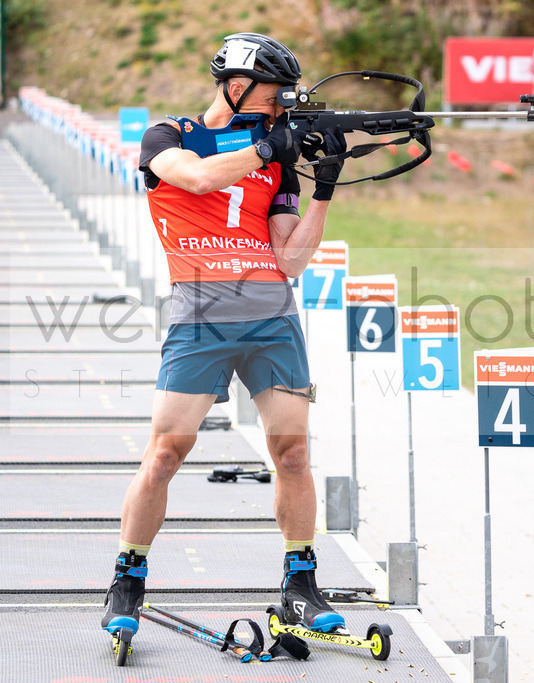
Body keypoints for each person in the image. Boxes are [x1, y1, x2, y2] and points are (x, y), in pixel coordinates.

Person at [101, 33, 347, 640]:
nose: (281, 111)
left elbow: (290, 261)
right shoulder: (169, 137)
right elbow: (201, 180)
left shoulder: (277, 156)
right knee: (164, 455)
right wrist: (268, 145)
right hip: (200, 317)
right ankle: (127, 579)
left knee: (292, 454)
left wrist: (325, 187)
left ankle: (300, 583)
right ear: (235, 88)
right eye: (271, 99)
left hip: (273, 317)